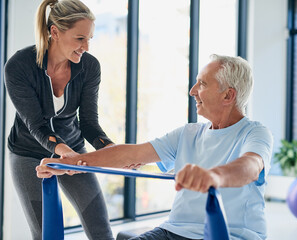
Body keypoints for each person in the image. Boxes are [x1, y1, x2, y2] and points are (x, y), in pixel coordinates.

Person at [37, 54, 273, 240]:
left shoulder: (254, 132)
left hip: (234, 235)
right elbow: (130, 153)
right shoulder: (188, 133)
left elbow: (250, 166)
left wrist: (213, 176)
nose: (192, 91)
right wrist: (68, 163)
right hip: (175, 232)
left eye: (202, 84)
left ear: (228, 95)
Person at [4, 0, 115, 239]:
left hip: (73, 150)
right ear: (55, 32)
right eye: (79, 38)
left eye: (89, 39)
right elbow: (37, 124)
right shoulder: (19, 66)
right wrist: (65, 152)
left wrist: (114, 151)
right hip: (28, 153)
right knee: (46, 233)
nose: (86, 46)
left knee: (101, 230)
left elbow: (88, 123)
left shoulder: (89, 66)